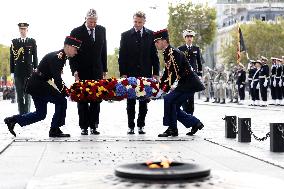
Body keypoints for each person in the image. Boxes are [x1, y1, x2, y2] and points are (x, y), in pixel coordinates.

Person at [4, 36, 82, 137]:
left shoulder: (61, 57)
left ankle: (13, 120)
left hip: (35, 84)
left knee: (40, 114)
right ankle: (54, 129)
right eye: (75, 49)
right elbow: (57, 79)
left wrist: (65, 90)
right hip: (39, 84)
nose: (76, 52)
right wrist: (66, 92)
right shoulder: (57, 58)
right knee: (62, 101)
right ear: (67, 46)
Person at [153, 29, 205, 137]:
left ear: (164, 41)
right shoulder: (168, 52)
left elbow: (172, 73)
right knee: (174, 106)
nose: (155, 44)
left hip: (189, 83)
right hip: (185, 83)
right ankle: (195, 123)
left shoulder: (172, 53)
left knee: (168, 99)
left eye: (156, 41)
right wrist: (159, 86)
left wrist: (162, 89)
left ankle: (172, 128)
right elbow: (167, 72)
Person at [118, 11, 160, 135]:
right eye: (135, 21)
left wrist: (155, 73)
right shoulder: (125, 35)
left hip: (145, 74)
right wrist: (123, 73)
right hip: (130, 74)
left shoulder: (151, 35)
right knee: (130, 101)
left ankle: (141, 125)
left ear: (144, 22)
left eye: (139, 22)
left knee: (143, 101)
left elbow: (154, 56)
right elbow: (122, 56)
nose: (137, 24)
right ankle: (130, 126)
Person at [69, 9, 107, 135]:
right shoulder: (76, 32)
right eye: (90, 21)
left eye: (95, 21)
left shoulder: (102, 30)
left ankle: (94, 126)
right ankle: (84, 126)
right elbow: (71, 54)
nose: (93, 24)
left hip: (97, 70)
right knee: (83, 99)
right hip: (82, 71)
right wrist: (74, 71)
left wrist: (105, 69)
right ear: (85, 19)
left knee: (96, 98)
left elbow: (103, 51)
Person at [10, 23, 38, 114]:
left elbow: (35, 56)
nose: (23, 31)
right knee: (19, 94)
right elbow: (12, 58)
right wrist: (12, 72)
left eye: (24, 29)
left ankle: (27, 113)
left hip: (28, 71)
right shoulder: (14, 42)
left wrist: (36, 68)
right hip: (18, 71)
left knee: (27, 93)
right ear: (19, 30)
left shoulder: (32, 41)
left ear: (27, 30)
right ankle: (21, 113)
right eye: (21, 29)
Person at [178, 29, 202, 115]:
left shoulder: (196, 49)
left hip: (193, 75)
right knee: (184, 94)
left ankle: (190, 114)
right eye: (187, 37)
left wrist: (199, 75)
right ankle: (185, 112)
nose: (189, 38)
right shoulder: (180, 49)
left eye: (191, 36)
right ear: (185, 38)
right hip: (184, 76)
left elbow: (199, 62)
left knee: (191, 96)